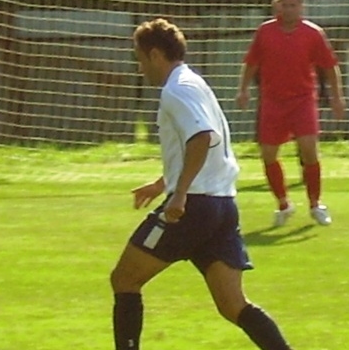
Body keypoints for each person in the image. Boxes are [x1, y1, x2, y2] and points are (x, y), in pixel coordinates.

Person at [110, 18, 293, 350]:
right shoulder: (194, 82)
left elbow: (202, 138)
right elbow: (201, 144)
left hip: (192, 207)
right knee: (233, 305)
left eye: (139, 58)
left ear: (154, 54)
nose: (140, 68)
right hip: (222, 205)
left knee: (124, 279)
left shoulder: (175, 90)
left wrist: (178, 193)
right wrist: (163, 182)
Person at [237, 0, 346, 227]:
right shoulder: (265, 32)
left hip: (302, 100)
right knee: (268, 155)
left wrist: (337, 97)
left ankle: (315, 203)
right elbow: (251, 63)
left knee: (308, 149)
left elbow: (330, 67)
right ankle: (284, 204)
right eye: (284, 5)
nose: (288, 9)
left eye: (293, 5)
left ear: (301, 7)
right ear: (278, 5)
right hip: (272, 101)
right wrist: (243, 90)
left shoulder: (313, 33)